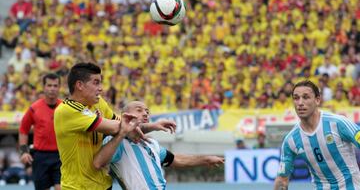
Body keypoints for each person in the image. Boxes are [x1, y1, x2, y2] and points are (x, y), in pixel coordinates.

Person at [54, 62, 175, 190]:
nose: (100, 88)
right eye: (96, 82)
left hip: (103, 185)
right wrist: (131, 128)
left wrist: (153, 126)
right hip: (77, 187)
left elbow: (123, 125)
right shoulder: (67, 110)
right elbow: (118, 127)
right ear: (79, 85)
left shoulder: (98, 102)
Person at [93, 101, 225, 190]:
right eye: (139, 110)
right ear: (124, 116)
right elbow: (98, 163)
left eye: (147, 111)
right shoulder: (117, 142)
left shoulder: (151, 143)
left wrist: (205, 159)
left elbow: (175, 159)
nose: (145, 113)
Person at [274, 80, 360, 190]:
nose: (300, 103)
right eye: (296, 98)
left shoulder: (338, 123)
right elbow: (282, 179)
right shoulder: (290, 140)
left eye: (306, 97)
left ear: (317, 100)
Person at [19, 73, 62, 190]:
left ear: (59, 87)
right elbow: (23, 130)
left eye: (55, 85)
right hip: (40, 157)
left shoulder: (65, 108)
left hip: (61, 156)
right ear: (43, 87)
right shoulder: (34, 108)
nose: (52, 89)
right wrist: (23, 152)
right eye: (49, 85)